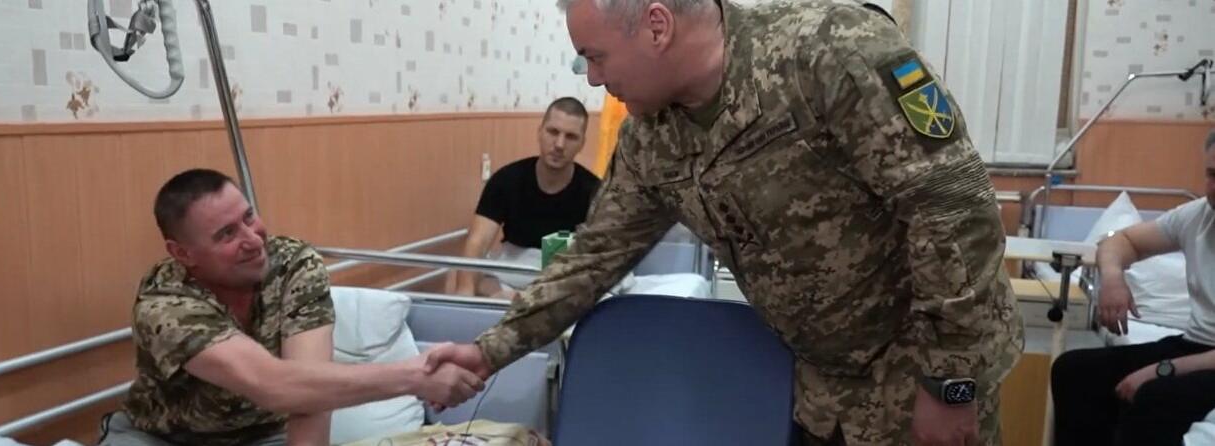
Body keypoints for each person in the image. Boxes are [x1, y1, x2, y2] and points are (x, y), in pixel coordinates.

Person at [424, 1, 1023, 445]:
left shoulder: (830, 53)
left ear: (657, 26)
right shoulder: (652, 139)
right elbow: (592, 258)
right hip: (820, 388)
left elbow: (955, 210)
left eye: (596, 56)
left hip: (920, 375)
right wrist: (491, 350)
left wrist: (950, 383)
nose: (593, 79)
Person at [100, 169, 483, 446]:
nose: (254, 240)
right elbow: (274, 385)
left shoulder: (293, 265)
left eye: (248, 217)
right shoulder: (165, 302)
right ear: (183, 254)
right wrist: (414, 376)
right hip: (164, 438)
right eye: (227, 234)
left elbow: (310, 389)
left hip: (263, 435)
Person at [1051, 130, 1215, 446]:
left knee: (1153, 397)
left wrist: (1164, 369)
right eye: (1212, 174)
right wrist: (1113, 279)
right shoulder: (1197, 216)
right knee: (1073, 371)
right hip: (1195, 345)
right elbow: (1120, 240)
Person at [445, 97, 601, 298]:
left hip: (563, 279)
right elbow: (478, 241)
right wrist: (465, 294)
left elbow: (601, 256)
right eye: (553, 132)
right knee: (457, 275)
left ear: (582, 143)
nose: (559, 144)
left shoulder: (595, 191)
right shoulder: (506, 180)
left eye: (571, 137)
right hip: (512, 269)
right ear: (540, 132)